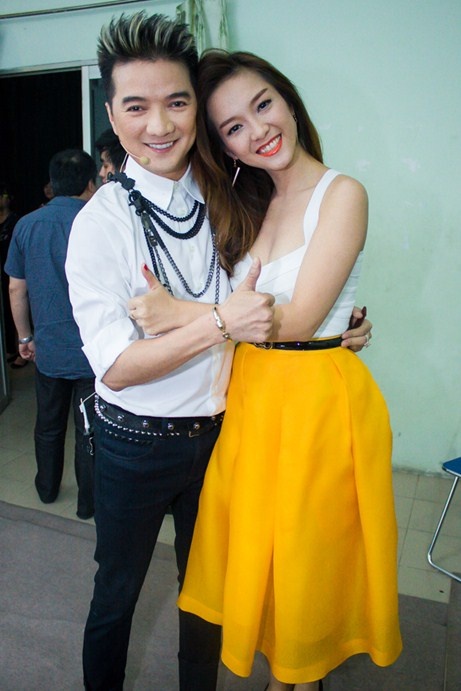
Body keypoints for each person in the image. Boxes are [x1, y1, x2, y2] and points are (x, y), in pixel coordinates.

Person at [65, 12, 371, 691]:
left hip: (226, 430)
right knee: (116, 593)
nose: (159, 125)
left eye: (176, 103)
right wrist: (216, 322)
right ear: (111, 115)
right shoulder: (99, 225)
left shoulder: (232, 194)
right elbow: (115, 366)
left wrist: (336, 328)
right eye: (136, 107)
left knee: (205, 595)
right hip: (135, 441)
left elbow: (289, 285)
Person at [173, 51, 402, 690]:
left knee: (306, 554)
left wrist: (180, 315)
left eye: (263, 104)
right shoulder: (249, 202)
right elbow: (250, 311)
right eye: (234, 126)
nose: (258, 130)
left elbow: (299, 320)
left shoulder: (342, 193)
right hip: (254, 395)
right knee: (262, 550)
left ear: (289, 101)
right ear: (224, 146)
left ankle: (298, 677)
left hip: (315, 402)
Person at [5, 149, 97, 520]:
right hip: (94, 352)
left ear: (52, 183)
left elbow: (16, 288)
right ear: (90, 183)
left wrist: (24, 338)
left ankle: (46, 489)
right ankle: (88, 504)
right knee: (89, 429)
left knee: (48, 424)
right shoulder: (99, 223)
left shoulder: (27, 225)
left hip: (49, 349)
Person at [0, 182, 26, 368]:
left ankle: (20, 349)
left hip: (12, 270)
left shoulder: (16, 221)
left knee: (16, 307)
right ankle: (9, 347)